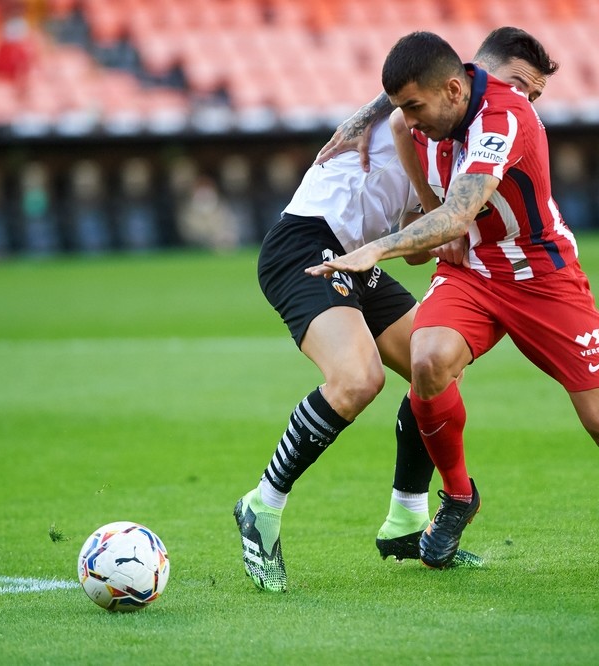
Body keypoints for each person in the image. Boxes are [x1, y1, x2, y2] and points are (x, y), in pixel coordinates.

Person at [308, 31, 599, 576]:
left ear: (453, 90)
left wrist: (377, 249)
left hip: (544, 277)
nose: (411, 119)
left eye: (417, 107)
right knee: (426, 360)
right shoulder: (413, 120)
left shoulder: (505, 118)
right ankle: (459, 497)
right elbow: (430, 201)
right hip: (473, 273)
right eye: (405, 107)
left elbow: (456, 216)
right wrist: (408, 189)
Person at [233, 30, 554, 592]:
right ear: (472, 73)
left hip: (359, 254)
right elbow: (401, 102)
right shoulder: (423, 106)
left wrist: (435, 230)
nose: (525, 102)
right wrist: (372, 115)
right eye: (521, 86)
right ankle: (260, 506)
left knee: (433, 366)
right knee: (358, 379)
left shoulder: (473, 136)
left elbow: (423, 243)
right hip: (307, 244)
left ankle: (406, 520)